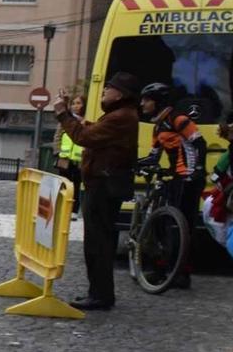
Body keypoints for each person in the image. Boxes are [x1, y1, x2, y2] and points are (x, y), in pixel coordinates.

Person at [57, 70, 141, 311]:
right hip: (102, 182)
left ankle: (101, 295)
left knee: (98, 242)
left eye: (109, 88)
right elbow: (94, 131)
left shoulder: (121, 117)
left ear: (120, 94)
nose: (104, 91)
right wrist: (74, 115)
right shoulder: (120, 115)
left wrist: (63, 114)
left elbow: (84, 137)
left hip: (104, 185)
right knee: (99, 240)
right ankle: (98, 292)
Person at [147, 82, 208, 291]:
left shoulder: (179, 119)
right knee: (163, 223)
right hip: (176, 176)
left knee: (183, 226)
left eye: (147, 100)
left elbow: (200, 143)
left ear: (158, 102)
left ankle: (182, 272)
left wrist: (199, 168)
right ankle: (162, 267)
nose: (143, 104)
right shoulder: (158, 125)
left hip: (190, 177)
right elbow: (154, 156)